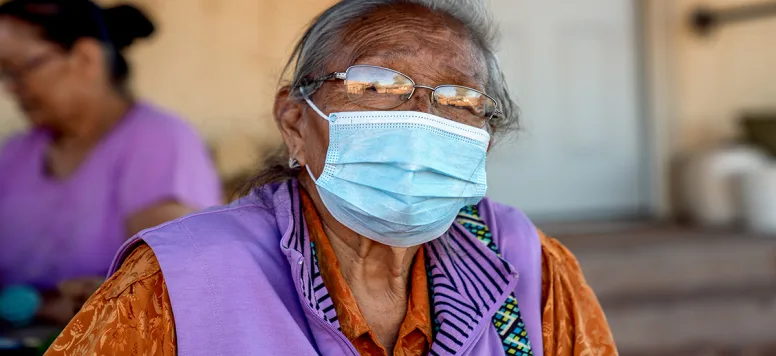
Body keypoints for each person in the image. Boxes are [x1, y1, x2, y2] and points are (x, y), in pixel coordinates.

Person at [46, 0, 617, 355]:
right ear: (296, 121)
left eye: (460, 99)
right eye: (374, 87)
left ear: (486, 136)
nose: (422, 118)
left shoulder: (530, 266)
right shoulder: (175, 283)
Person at [0, 0, 221, 325]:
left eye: (22, 69)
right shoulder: (15, 155)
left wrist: (33, 305)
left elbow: (159, 284)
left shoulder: (157, 141)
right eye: (5, 73)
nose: (11, 87)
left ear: (86, 58)